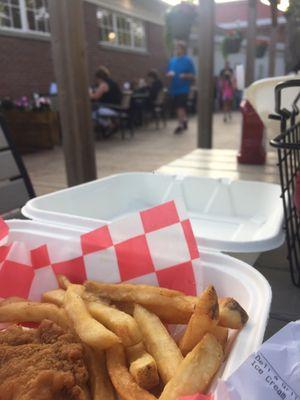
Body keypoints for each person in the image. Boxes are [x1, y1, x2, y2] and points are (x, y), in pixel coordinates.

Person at [167, 41, 196, 134]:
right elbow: (168, 72)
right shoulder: (172, 61)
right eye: (176, 48)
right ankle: (185, 120)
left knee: (180, 106)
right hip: (174, 88)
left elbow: (193, 75)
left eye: (178, 48)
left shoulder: (188, 61)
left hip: (184, 88)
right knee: (180, 107)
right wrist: (169, 75)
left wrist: (185, 76)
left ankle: (180, 125)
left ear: (183, 49)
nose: (176, 50)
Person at [89, 66, 122, 136]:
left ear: (99, 78)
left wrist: (89, 93)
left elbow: (95, 97)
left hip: (110, 108)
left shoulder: (103, 84)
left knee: (90, 113)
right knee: (94, 110)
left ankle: (109, 125)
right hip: (118, 108)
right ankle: (110, 125)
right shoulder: (113, 82)